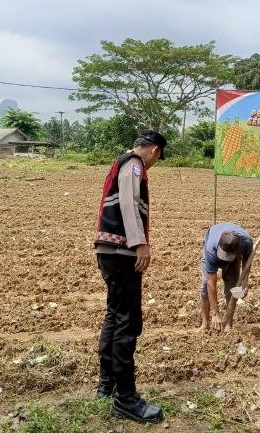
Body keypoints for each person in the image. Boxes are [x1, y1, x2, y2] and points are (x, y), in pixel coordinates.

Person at [94, 130, 167, 423]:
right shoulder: (134, 163)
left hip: (108, 250)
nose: (155, 163)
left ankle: (106, 385)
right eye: (158, 158)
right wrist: (141, 243)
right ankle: (125, 398)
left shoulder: (122, 162)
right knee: (128, 321)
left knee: (114, 314)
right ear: (154, 151)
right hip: (122, 252)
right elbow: (128, 202)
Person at [199, 222, 253, 333]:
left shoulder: (246, 242)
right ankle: (205, 323)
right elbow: (211, 282)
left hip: (235, 257)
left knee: (232, 286)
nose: (225, 259)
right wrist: (215, 313)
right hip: (212, 249)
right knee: (205, 286)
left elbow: (247, 260)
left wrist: (245, 281)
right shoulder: (211, 248)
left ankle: (228, 324)